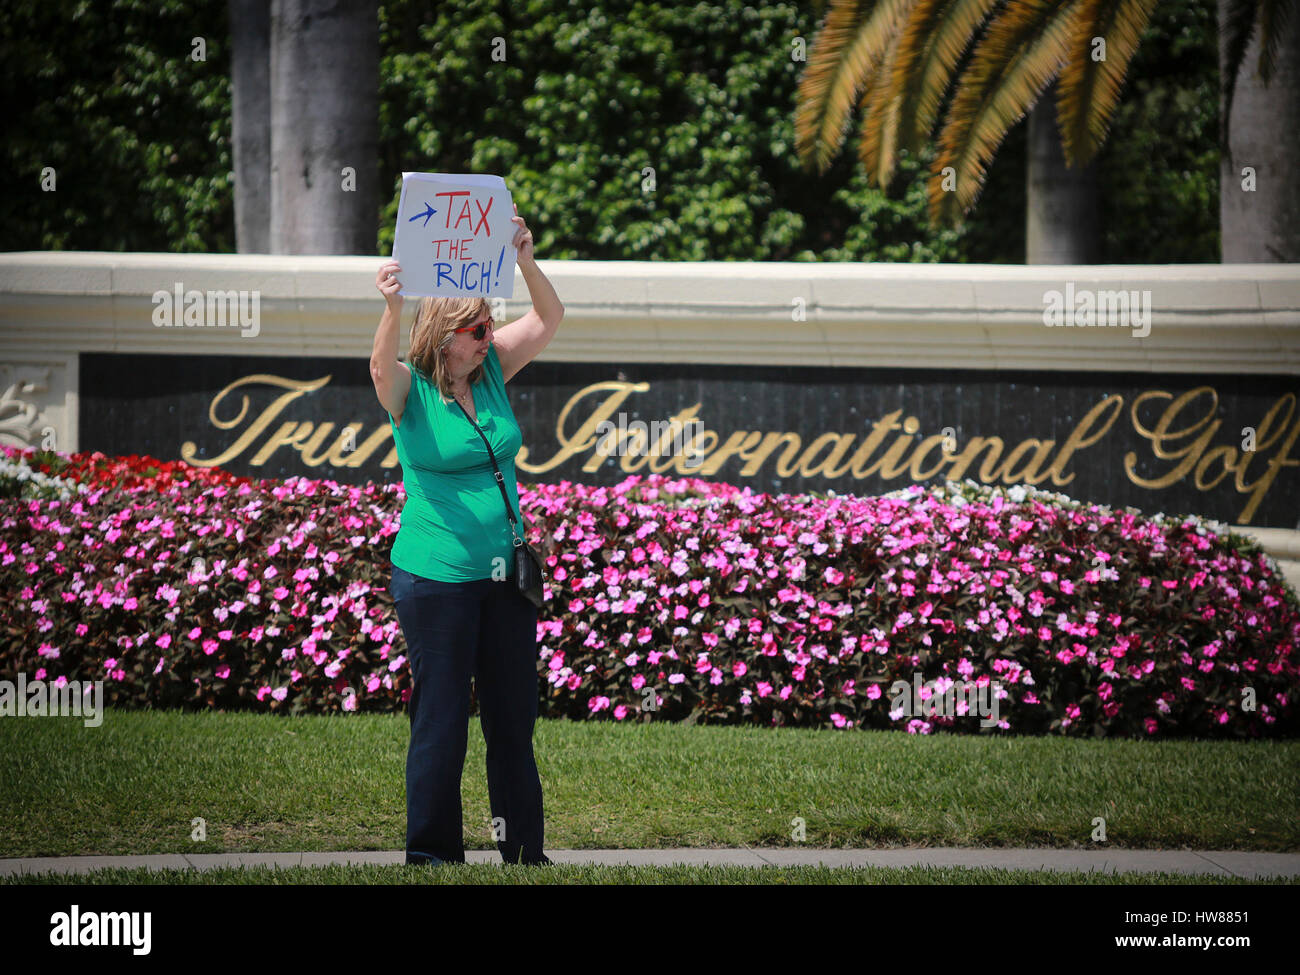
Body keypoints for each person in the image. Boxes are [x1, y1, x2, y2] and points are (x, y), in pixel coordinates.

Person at [370, 203, 564, 866]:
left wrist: (525, 260)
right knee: (443, 720)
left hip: (504, 578)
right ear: (445, 331)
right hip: (435, 581)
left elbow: (549, 319)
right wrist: (392, 309)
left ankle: (523, 854)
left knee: (513, 720)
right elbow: (378, 373)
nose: (488, 336)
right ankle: (432, 857)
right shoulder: (413, 393)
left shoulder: (493, 372)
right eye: (476, 328)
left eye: (487, 326)